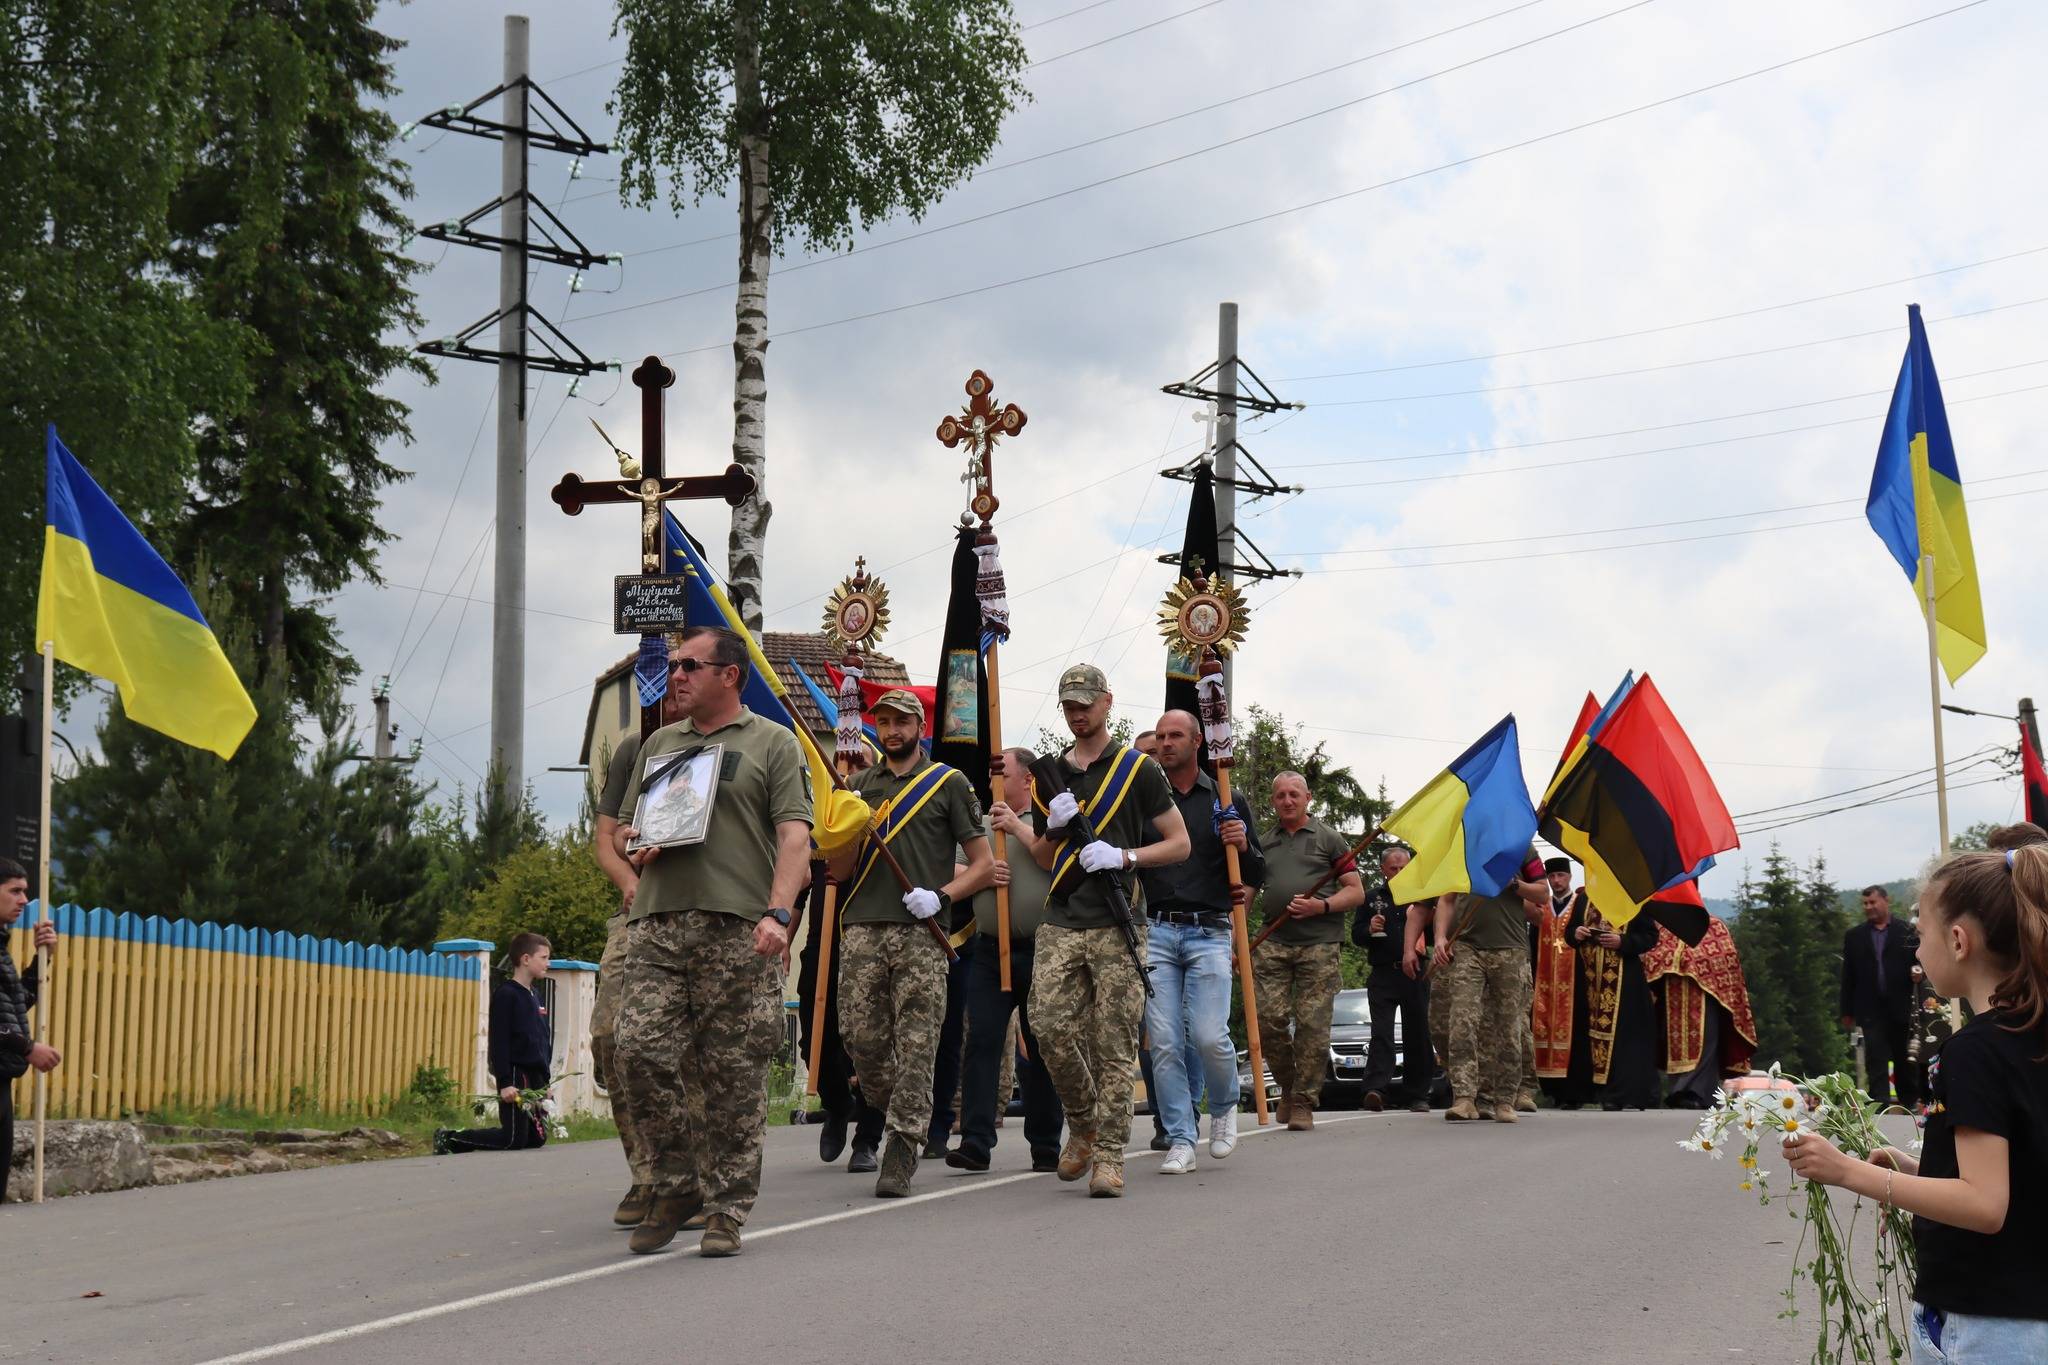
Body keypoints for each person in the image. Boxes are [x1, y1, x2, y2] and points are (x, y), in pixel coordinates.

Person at [1785, 847, 2048, 1362]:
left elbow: (1984, 1204)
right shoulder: (2030, 1036)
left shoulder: (1975, 1051)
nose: (1917, 952)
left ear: (1958, 940)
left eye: (1921, 935)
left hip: (1990, 1324)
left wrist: (1846, 1173)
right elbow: (2024, 1166)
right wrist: (1914, 1170)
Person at [613, 625, 814, 1257]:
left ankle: (728, 1206)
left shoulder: (773, 743)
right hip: (658, 921)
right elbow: (625, 831)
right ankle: (675, 1182)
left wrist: (779, 915)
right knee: (636, 1050)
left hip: (739, 928)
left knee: (732, 1075)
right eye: (674, 664)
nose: (675, 674)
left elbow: (794, 839)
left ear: (729, 674)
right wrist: (631, 843)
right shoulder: (658, 747)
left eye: (689, 665)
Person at [994, 663, 1188, 1199]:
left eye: (1086, 703)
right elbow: (1042, 853)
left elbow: (1179, 842)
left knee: (1115, 1042)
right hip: (1061, 917)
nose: (1078, 713)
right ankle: (1082, 1122)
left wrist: (1125, 855)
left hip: (1117, 920)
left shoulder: (1137, 769)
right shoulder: (1050, 774)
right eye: (1070, 705)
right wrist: (1050, 826)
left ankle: (1108, 1157)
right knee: (1049, 1029)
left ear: (1107, 702)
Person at [827, 689, 992, 1198]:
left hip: (922, 932)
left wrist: (940, 895)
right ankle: (893, 1103)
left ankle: (902, 1145)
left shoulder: (948, 783)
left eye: (902, 721)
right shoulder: (856, 785)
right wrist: (848, 825)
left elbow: (984, 864)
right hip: (861, 927)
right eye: (884, 721)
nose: (892, 729)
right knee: (860, 1036)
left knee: (919, 1042)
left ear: (919, 726)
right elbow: (837, 871)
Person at [588, 655, 689, 1228]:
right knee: (612, 1038)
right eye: (669, 676)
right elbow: (606, 838)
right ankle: (646, 1171)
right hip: (641, 910)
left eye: (688, 672)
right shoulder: (637, 749)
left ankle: (691, 1176)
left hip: (709, 909)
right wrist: (628, 882)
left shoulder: (738, 741)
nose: (676, 685)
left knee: (695, 1051)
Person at [1140, 709, 1264, 1170]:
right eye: (1161, 736)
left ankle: (1225, 1105)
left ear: (1197, 743)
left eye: (1175, 736)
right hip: (1156, 929)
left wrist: (1243, 842)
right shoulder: (1147, 799)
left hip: (1211, 929)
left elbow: (1256, 873)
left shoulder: (1226, 798)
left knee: (1211, 1036)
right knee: (1167, 1041)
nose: (1166, 743)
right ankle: (1179, 1138)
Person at [952, 746, 1066, 1174]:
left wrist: (1016, 827)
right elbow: (957, 872)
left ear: (1028, 781)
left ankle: (1045, 1144)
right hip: (989, 949)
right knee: (982, 1041)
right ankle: (976, 1142)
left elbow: (1054, 862)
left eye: (1003, 775)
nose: (992, 782)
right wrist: (984, 872)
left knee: (1040, 1047)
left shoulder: (1051, 822)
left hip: (1042, 948)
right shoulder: (980, 827)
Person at [1254, 770, 1360, 1130]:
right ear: (1273, 801)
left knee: (1313, 1025)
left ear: (1307, 798)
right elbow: (1249, 889)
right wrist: (1236, 938)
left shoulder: (1330, 839)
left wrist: (1321, 907)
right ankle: (1287, 1085)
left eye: (1294, 794)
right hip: (1273, 941)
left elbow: (1355, 891)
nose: (1287, 800)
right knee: (1268, 1020)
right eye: (1280, 795)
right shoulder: (1263, 841)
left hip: (1319, 944)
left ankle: (1303, 1101)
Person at [1432, 852, 1549, 1123]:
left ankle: (1505, 1099)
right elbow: (1447, 899)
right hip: (1466, 947)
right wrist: (1440, 937)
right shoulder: (1462, 846)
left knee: (1508, 1026)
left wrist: (1514, 884)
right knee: (1462, 1020)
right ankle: (1464, 1097)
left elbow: (1543, 895)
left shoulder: (1522, 848)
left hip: (1510, 949)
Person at [795, 859, 886, 1173]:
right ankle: (837, 1105)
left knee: (871, 1047)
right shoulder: (821, 820)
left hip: (870, 939)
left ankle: (867, 1140)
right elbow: (799, 889)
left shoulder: (882, 815)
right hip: (821, 945)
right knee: (813, 1046)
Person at [435, 932, 555, 1154]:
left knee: (536, 1138)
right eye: (544, 957)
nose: (548, 963)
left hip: (537, 1076)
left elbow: (541, 1040)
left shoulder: (536, 995)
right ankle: (451, 1139)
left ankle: (457, 1139)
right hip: (517, 1074)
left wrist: (546, 1083)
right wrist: (505, 1082)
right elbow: (499, 1042)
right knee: (512, 1139)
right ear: (526, 959)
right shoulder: (507, 994)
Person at [1640, 915, 1757, 1108]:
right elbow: (1651, 955)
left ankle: (1698, 1093)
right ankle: (1678, 1091)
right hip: (1672, 997)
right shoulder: (1664, 926)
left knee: (1705, 1044)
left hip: (1706, 995)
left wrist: (1693, 965)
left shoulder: (1713, 925)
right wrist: (1671, 962)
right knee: (1674, 1047)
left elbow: (1724, 959)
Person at [1354, 844, 1432, 1113]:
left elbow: (1434, 933)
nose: (1399, 872)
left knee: (1418, 1034)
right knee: (1382, 1033)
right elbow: (1356, 935)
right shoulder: (1371, 898)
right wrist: (1368, 929)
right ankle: (1376, 1090)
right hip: (1383, 972)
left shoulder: (1423, 896)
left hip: (1416, 972)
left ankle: (1418, 1094)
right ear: (1383, 870)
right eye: (1393, 868)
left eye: (1404, 868)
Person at [1562, 898, 1661, 1110]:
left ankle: (1621, 1094)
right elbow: (1569, 932)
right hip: (1589, 982)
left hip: (1625, 982)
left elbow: (1650, 936)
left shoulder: (1633, 899)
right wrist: (1575, 934)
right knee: (1587, 1036)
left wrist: (1623, 942)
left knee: (1624, 1039)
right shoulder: (1583, 899)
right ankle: (1591, 1092)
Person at [1, 857, 60, 1202]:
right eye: (16, 891)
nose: (25, 900)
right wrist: (27, 1048)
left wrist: (43, 958)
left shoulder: (0, 947)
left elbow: (15, 1006)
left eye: (26, 891)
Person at [1841, 885, 1921, 1110]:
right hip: (1870, 1010)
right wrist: (1846, 1010)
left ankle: (1910, 1102)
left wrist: (1919, 973)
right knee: (1875, 1058)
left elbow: (1920, 963)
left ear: (1886, 901)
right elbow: (1848, 975)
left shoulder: (1906, 932)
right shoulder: (1855, 937)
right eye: (1865, 904)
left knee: (1905, 1058)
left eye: (1872, 902)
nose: (1869, 907)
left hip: (1902, 1008)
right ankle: (1879, 1105)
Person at [1531, 858, 1582, 1104]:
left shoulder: (1579, 904)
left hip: (1573, 984)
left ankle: (1571, 1092)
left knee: (1573, 1032)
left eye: (1561, 875)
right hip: (1543, 981)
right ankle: (1548, 1090)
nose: (1556, 881)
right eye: (1552, 877)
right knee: (1540, 1029)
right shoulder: (1542, 907)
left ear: (1570, 877)